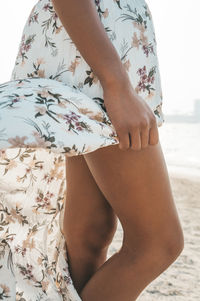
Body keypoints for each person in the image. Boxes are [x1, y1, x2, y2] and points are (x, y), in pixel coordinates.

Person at [2, 0, 184, 300]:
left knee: (90, 236)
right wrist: (117, 84)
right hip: (95, 62)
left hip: (93, 53)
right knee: (158, 243)